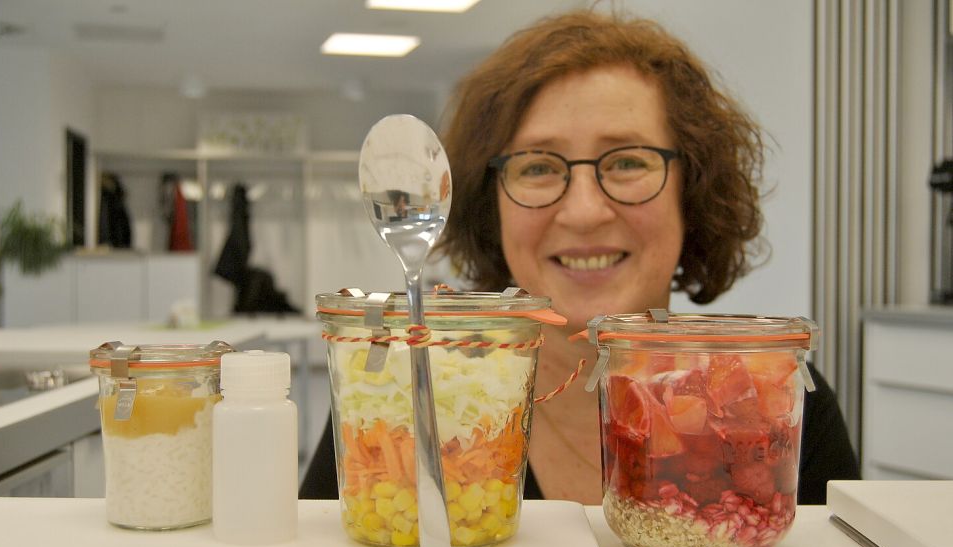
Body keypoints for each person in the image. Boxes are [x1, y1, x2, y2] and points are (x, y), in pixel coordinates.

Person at [301, 9, 859, 506]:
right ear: (489, 207)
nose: (586, 211)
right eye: (539, 167)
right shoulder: (393, 390)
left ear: (693, 194)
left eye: (628, 162)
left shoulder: (777, 403)